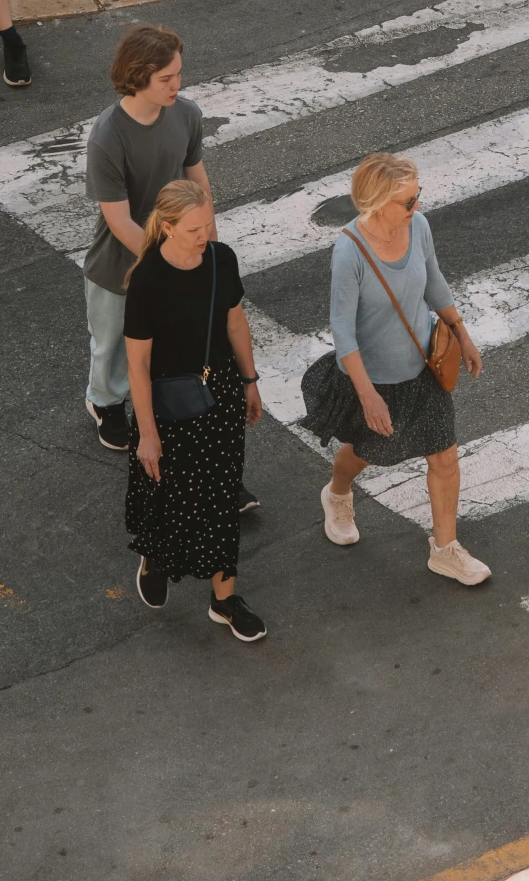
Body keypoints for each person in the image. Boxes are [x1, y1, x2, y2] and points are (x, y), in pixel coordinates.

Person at [302, 152, 488, 585]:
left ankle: (445, 549)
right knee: (367, 453)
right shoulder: (350, 250)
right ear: (378, 203)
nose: (416, 207)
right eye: (408, 201)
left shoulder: (417, 227)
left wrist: (461, 332)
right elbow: (342, 331)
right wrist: (368, 396)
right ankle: (338, 493)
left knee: (444, 455)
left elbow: (435, 282)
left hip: (421, 368)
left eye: (417, 197)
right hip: (373, 378)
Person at [123, 180, 265, 642]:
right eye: (193, 229)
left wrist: (250, 382)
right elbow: (138, 364)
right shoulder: (146, 280)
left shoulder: (222, 260)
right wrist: (146, 432)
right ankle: (156, 557)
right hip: (165, 403)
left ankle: (224, 600)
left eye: (207, 224)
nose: (205, 234)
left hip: (218, 393)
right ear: (166, 228)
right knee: (170, 493)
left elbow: (236, 323)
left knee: (222, 495)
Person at [82, 25, 211, 453]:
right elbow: (118, 220)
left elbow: (197, 180)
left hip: (173, 247)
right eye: (167, 79)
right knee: (113, 343)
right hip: (118, 265)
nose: (178, 85)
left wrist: (207, 240)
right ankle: (104, 402)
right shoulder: (107, 137)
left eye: (179, 74)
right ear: (138, 78)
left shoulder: (187, 114)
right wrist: (164, 265)